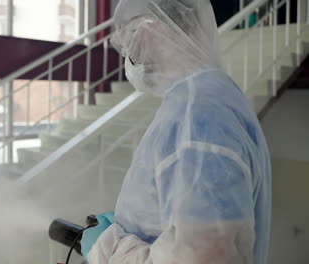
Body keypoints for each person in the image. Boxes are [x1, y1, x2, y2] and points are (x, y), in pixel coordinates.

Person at [80, 0, 272, 263]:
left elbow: (206, 254)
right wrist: (135, 222)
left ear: (149, 31)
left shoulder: (198, 113)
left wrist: (109, 250)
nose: (128, 56)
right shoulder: (212, 97)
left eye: (128, 40)